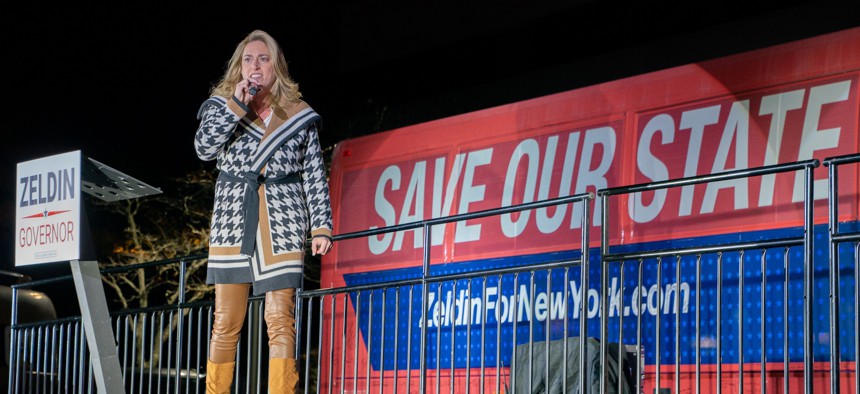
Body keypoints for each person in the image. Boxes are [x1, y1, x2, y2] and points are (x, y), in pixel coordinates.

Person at [194, 29, 333, 393]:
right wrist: (236, 106)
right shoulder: (221, 105)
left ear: (276, 66)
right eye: (248, 59)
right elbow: (204, 150)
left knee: (279, 319)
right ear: (239, 66)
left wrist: (321, 226)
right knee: (226, 320)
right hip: (233, 214)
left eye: (263, 58)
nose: (255, 66)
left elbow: (314, 172)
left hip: (284, 215)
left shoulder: (298, 114)